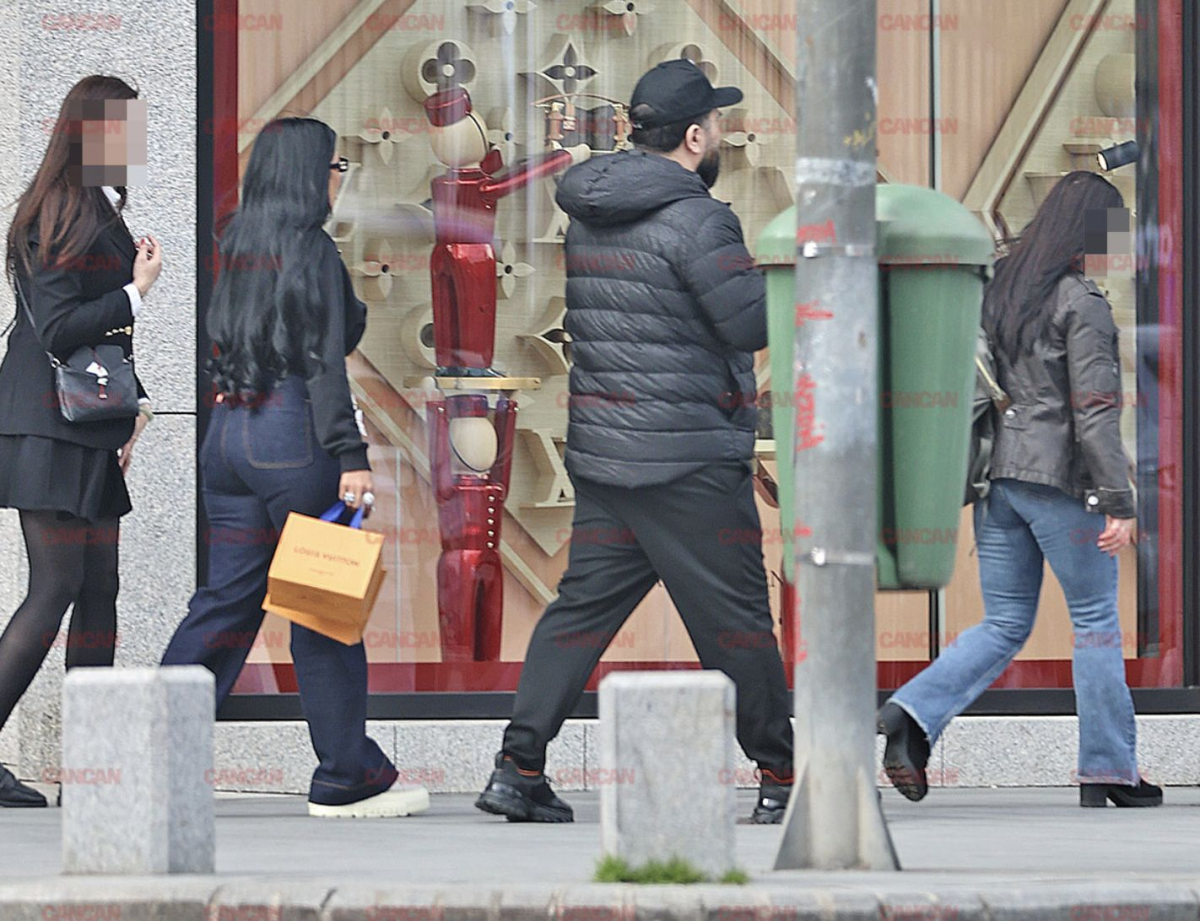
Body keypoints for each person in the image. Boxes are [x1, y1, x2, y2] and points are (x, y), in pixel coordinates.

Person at [476, 60, 795, 825]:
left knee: (579, 612)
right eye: (715, 123)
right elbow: (749, 324)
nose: (719, 134)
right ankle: (784, 774)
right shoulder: (699, 219)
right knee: (737, 621)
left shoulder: (590, 211)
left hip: (609, 456)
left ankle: (518, 767)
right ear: (694, 137)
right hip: (688, 460)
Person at [159, 118, 428, 819]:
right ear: (311, 174)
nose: (341, 179)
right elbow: (323, 362)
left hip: (228, 435)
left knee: (224, 604)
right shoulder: (312, 250)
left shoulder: (237, 243)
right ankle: (345, 774)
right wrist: (351, 455)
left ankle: (147, 751)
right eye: (337, 166)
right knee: (321, 607)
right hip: (293, 438)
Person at [878, 171, 1161, 808]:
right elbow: (1094, 410)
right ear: (1090, 230)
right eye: (1113, 227)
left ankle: (911, 712)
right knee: (1094, 621)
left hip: (998, 479)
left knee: (1005, 621)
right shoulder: (1082, 302)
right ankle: (1110, 769)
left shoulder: (1001, 285)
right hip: (1059, 483)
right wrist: (1117, 501)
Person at [0, 76, 161, 808]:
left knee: (98, 589)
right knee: (57, 587)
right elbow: (62, 329)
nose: (137, 142)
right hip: (49, 428)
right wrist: (136, 290)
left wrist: (133, 405)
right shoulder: (59, 210)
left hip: (80, 426)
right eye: (127, 127)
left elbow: (96, 339)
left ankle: (93, 777)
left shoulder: (86, 204)